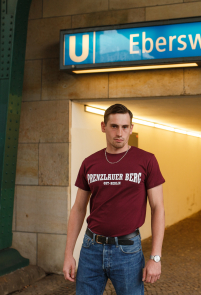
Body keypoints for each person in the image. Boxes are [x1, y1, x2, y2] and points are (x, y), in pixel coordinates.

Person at [63, 104, 165, 295]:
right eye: (114, 126)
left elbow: (158, 207)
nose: (120, 132)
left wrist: (156, 257)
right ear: (104, 126)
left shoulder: (146, 160)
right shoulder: (90, 162)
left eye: (125, 127)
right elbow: (78, 208)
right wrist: (69, 254)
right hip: (90, 248)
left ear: (131, 128)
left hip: (128, 251)